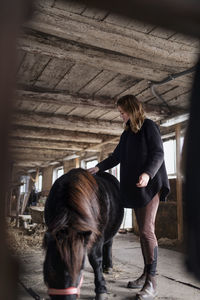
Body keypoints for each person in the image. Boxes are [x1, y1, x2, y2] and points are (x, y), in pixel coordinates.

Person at [88, 94, 170, 300]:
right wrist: (98, 167)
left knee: (146, 231)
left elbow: (158, 153)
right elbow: (116, 157)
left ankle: (152, 283)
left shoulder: (149, 127)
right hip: (136, 188)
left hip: (150, 185)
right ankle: (145, 275)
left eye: (122, 112)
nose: (121, 116)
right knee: (142, 233)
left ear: (132, 110)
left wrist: (147, 173)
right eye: (120, 113)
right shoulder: (126, 134)